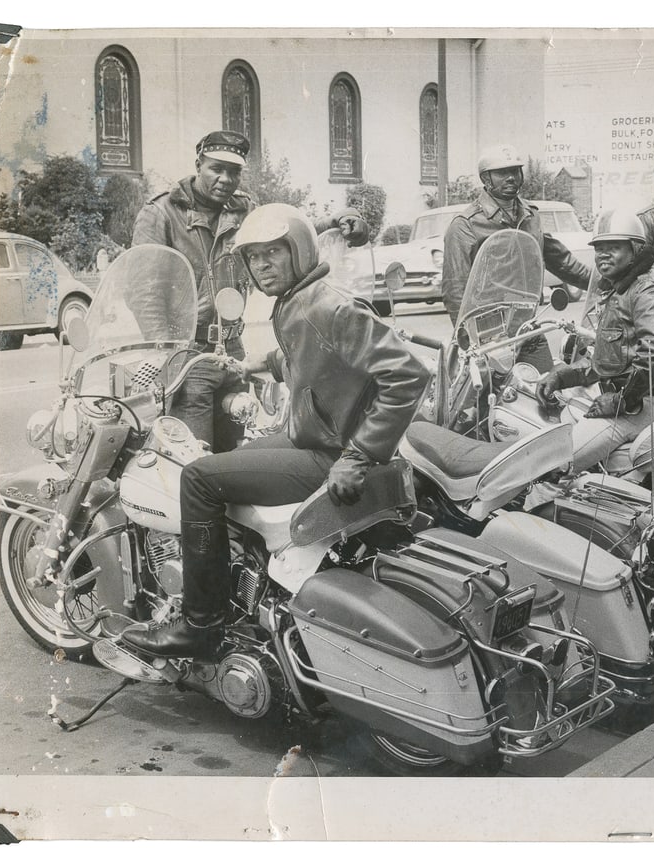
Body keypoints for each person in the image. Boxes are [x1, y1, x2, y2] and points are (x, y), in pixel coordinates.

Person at [122, 204, 429, 658]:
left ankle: (200, 625)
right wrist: (258, 363)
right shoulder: (300, 299)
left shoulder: (328, 306)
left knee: (198, 478)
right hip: (315, 437)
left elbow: (408, 374)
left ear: (300, 251)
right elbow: (319, 363)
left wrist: (359, 454)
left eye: (273, 253)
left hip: (331, 452)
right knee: (231, 457)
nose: (262, 266)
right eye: (253, 257)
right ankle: (249, 585)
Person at [132, 130, 368, 451]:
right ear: (198, 164)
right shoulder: (161, 213)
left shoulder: (242, 209)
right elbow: (143, 294)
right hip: (187, 356)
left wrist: (331, 221)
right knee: (192, 459)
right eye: (217, 168)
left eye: (234, 171)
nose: (226, 179)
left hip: (233, 351)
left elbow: (283, 234)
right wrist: (169, 358)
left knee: (232, 455)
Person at [534, 210, 654, 473]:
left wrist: (621, 400)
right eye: (599, 248)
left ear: (635, 250)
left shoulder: (646, 290)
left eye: (614, 247)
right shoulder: (619, 289)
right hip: (626, 398)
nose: (603, 255)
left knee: (552, 463)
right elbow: (609, 358)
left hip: (644, 402)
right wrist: (563, 375)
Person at [441, 144, 591, 371]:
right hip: (488, 333)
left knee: (545, 392)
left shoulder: (530, 216)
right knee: (490, 400)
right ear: (486, 179)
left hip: (528, 327)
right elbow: (455, 289)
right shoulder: (466, 225)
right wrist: (469, 340)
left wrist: (607, 280)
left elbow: (561, 261)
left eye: (515, 171)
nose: (511, 177)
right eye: (502, 173)